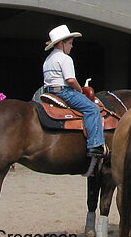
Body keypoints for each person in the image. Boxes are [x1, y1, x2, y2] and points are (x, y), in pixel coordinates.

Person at [42, 24, 105, 157]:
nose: (72, 46)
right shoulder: (65, 58)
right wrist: (79, 90)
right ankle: (95, 145)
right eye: (70, 43)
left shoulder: (48, 59)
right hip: (63, 91)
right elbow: (70, 80)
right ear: (61, 44)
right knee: (92, 109)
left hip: (48, 91)